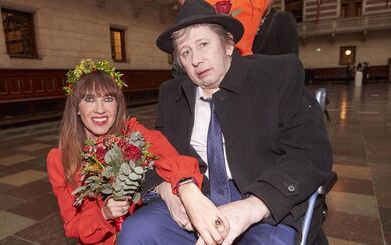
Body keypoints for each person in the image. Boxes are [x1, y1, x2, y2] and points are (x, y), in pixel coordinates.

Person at [118, 0, 333, 245]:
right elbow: (157, 154)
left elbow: (310, 155)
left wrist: (252, 207)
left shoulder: (276, 76)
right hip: (197, 199)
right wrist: (168, 192)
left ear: (228, 44)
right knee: (137, 231)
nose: (195, 59)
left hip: (265, 200)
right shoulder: (171, 93)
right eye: (185, 52)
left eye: (203, 44)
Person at [47, 60, 204, 244]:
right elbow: (72, 225)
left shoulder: (133, 133)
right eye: (89, 99)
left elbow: (170, 156)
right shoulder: (60, 158)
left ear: (117, 105)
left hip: (143, 234)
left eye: (108, 99)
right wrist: (103, 214)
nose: (100, 109)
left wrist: (182, 188)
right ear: (77, 109)